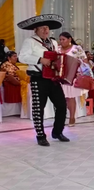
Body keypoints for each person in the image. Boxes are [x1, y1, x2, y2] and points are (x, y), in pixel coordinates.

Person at [18, 14, 69, 146]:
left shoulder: (53, 42)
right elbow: (22, 57)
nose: (45, 30)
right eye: (42, 28)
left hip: (53, 78)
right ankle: (40, 135)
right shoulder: (30, 41)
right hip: (38, 78)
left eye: (47, 28)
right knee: (38, 108)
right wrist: (39, 59)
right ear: (36, 29)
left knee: (62, 105)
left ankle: (57, 132)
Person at [58, 32, 88, 127]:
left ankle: (72, 117)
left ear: (69, 39)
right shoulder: (57, 49)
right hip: (59, 76)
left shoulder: (76, 49)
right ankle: (62, 117)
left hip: (72, 76)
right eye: (60, 39)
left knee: (70, 97)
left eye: (63, 39)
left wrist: (79, 70)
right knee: (62, 97)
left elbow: (85, 61)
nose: (61, 41)